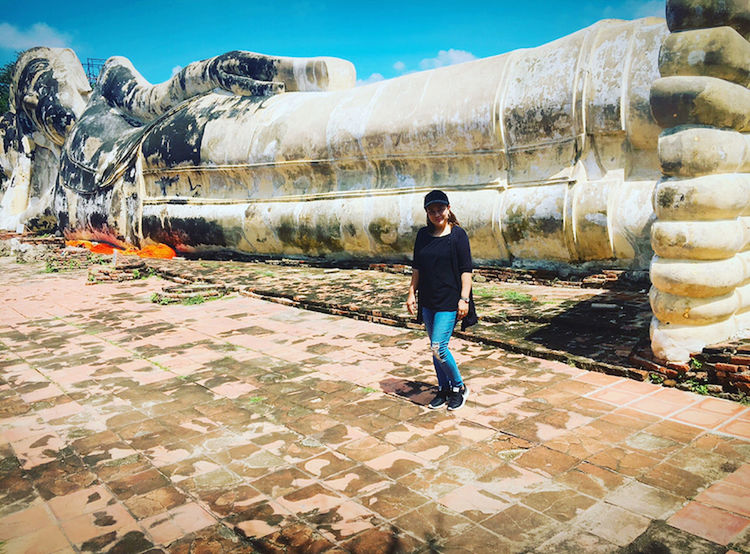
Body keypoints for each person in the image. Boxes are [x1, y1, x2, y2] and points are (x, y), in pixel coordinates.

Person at [406, 190, 477, 411]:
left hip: (450, 300)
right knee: (434, 348)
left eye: (440, 209)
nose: (437, 214)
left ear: (448, 208)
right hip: (428, 299)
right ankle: (443, 389)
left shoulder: (458, 235)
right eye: (432, 211)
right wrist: (411, 293)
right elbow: (417, 267)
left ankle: (458, 387)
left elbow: (466, 271)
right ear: (426, 213)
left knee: (439, 346)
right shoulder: (423, 236)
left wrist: (464, 299)